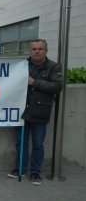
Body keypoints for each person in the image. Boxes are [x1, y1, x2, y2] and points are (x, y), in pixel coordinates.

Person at [7, 39, 63, 185]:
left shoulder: (54, 67)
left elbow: (57, 87)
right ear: (30, 51)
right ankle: (21, 169)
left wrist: (34, 82)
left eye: (40, 49)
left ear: (46, 50)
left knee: (38, 143)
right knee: (21, 142)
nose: (37, 51)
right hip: (22, 110)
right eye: (34, 49)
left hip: (40, 111)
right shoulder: (22, 65)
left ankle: (35, 172)